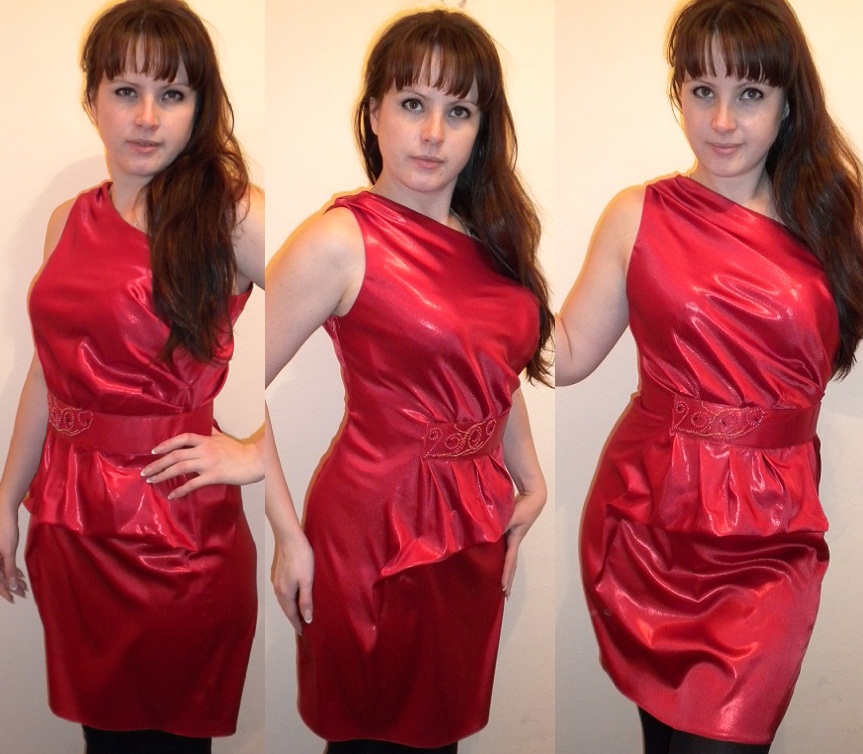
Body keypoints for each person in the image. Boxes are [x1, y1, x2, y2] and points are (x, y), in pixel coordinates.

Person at [555, 0, 863, 752]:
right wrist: (474, 289)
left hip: (770, 539)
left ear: (788, 101)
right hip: (650, 523)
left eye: (749, 93)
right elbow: (566, 355)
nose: (722, 121)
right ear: (679, 94)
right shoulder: (637, 213)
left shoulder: (833, 220)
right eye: (702, 91)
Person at [265, 9, 552, 753]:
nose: (431, 133)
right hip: (373, 534)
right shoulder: (340, 239)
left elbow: (491, 372)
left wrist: (530, 478)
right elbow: (223, 381)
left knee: (436, 740)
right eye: (412, 103)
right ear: (373, 113)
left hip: (473, 531)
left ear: (481, 129)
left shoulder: (491, 239)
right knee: (371, 738)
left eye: (458, 112)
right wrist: (287, 533)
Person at [0, 1, 264, 752]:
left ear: (198, 107)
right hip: (71, 526)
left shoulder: (231, 216)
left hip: (175, 536)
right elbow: (50, 372)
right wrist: (7, 497)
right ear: (93, 100)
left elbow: (361, 321)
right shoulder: (66, 219)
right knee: (105, 741)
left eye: (171, 94)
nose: (147, 118)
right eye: (126, 91)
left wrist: (253, 453)